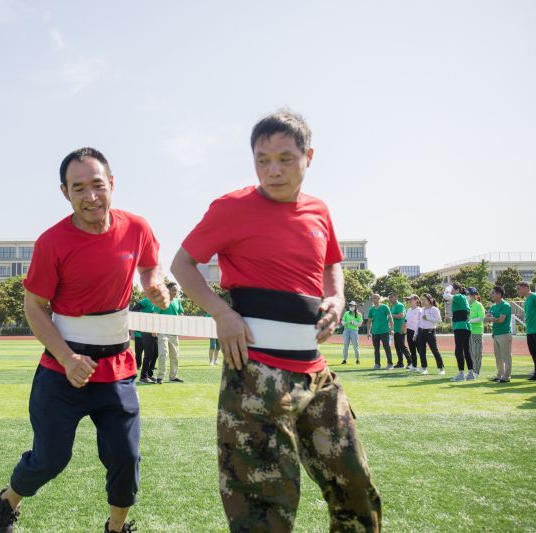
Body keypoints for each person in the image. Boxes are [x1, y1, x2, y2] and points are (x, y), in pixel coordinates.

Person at [171, 110, 381, 532]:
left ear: (309, 156)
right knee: (264, 510)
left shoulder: (319, 210)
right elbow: (183, 264)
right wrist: (222, 313)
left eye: (285, 158)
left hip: (315, 373)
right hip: (256, 373)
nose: (273, 170)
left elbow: (331, 264)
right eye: (262, 159)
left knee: (356, 491)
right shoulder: (231, 208)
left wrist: (336, 297)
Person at [0, 148, 170, 533]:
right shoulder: (53, 241)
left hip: (116, 367)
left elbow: (150, 264)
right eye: (78, 188)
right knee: (50, 458)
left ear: (112, 184)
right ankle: (7, 502)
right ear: (64, 192)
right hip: (62, 368)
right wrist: (68, 358)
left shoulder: (137, 227)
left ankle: (117, 528)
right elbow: (35, 308)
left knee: (125, 455)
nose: (90, 197)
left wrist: (154, 284)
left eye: (97, 186)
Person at [443, 282, 474, 381]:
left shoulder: (459, 296)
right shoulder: (463, 298)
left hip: (461, 327)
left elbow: (445, 295)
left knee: (459, 351)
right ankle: (470, 374)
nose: (451, 292)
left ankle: (461, 374)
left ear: (457, 290)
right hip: (465, 327)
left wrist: (448, 287)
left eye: (453, 290)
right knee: (466, 351)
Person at [155, 282, 185, 384]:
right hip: (162, 332)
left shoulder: (177, 301)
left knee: (175, 355)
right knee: (164, 354)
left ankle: (173, 377)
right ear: (168, 290)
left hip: (174, 333)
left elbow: (181, 314)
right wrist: (154, 329)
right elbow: (155, 315)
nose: (176, 292)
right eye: (173, 290)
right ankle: (160, 377)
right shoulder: (162, 301)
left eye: (176, 290)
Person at [484, 286, 512, 383]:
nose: (491, 295)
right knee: (498, 357)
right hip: (496, 334)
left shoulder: (505, 305)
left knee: (506, 356)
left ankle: (506, 376)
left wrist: (491, 319)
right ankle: (500, 375)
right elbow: (486, 318)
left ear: (499, 294)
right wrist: (489, 318)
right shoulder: (493, 306)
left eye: (493, 293)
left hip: (504, 334)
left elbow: (501, 320)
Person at [417, 293, 445, 375]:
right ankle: (424, 368)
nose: (422, 301)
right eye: (422, 300)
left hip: (430, 331)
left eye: (424, 300)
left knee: (434, 350)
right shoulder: (421, 310)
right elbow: (419, 322)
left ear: (429, 300)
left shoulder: (434, 309)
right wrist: (416, 334)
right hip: (421, 332)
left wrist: (428, 318)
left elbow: (439, 320)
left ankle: (441, 368)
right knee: (421, 351)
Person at [133, 297, 160, 383]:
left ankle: (149, 374)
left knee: (155, 354)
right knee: (148, 354)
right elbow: (134, 310)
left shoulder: (159, 302)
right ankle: (143, 377)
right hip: (146, 330)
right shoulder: (146, 300)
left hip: (155, 331)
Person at [366, 293, 394, 370]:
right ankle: (377, 364)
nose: (373, 299)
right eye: (372, 298)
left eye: (374, 298)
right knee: (376, 349)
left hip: (384, 331)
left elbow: (390, 318)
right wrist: (368, 332)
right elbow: (369, 322)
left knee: (387, 348)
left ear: (379, 299)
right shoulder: (371, 309)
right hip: (375, 332)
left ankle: (390, 364)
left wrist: (391, 329)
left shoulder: (385, 307)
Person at [466, 287, 486, 376]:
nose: (467, 296)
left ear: (474, 295)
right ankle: (472, 371)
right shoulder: (468, 305)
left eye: (469, 295)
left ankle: (476, 372)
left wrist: (471, 321)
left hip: (477, 332)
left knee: (476, 352)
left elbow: (481, 317)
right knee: (470, 352)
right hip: (468, 331)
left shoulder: (478, 305)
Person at [388, 292, 411, 368]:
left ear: (396, 297)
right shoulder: (393, 306)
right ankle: (400, 363)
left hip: (401, 329)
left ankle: (410, 362)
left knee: (402, 346)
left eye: (391, 297)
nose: (390, 298)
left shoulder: (399, 305)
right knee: (397, 347)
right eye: (389, 297)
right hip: (396, 329)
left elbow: (401, 316)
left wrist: (391, 315)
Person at [404, 295, 422, 372]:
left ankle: (423, 367)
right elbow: (406, 321)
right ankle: (414, 366)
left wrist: (417, 333)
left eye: (410, 299)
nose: (409, 301)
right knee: (412, 350)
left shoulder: (420, 310)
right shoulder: (408, 310)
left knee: (420, 350)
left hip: (418, 332)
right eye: (408, 300)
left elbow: (421, 322)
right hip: (409, 331)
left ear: (416, 300)